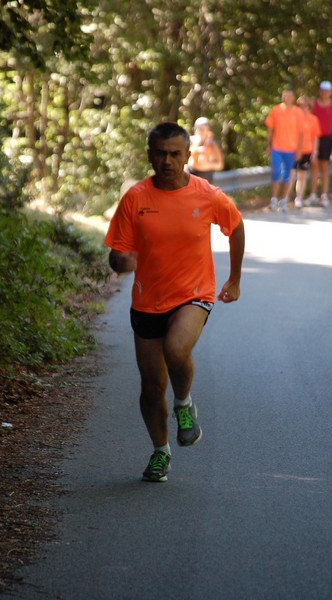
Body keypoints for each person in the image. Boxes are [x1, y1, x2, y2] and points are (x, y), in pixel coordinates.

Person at [105, 122, 245, 483]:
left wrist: (235, 278)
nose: (167, 161)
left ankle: (183, 404)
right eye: (160, 153)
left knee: (176, 348)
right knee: (151, 387)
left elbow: (236, 226)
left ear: (187, 156)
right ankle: (160, 453)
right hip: (147, 301)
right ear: (150, 155)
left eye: (175, 154)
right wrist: (121, 262)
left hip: (193, 294)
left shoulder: (207, 195)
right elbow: (117, 254)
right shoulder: (135, 198)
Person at [265, 88, 304, 211]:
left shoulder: (298, 112)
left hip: (291, 149)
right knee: (275, 172)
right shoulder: (275, 110)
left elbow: (301, 133)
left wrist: (299, 150)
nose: (287, 98)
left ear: (293, 97)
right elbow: (270, 130)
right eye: (285, 95)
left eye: (289, 96)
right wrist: (268, 145)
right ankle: (274, 199)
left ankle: (284, 199)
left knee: (287, 175)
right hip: (277, 148)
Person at [307, 81, 332, 207]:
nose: (324, 93)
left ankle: (324, 195)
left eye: (327, 90)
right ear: (319, 91)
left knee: (324, 166)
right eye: (322, 90)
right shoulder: (314, 103)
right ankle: (312, 194)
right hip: (314, 138)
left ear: (330, 92)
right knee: (314, 166)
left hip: (327, 139)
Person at [287, 95, 321, 208]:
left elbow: (315, 137)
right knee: (291, 174)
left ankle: (299, 198)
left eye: (305, 105)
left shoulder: (313, 119)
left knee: (302, 175)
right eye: (300, 105)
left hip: (307, 150)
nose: (303, 107)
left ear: (309, 106)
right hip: (294, 150)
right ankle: (285, 197)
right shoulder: (293, 118)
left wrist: (315, 152)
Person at [188, 117, 224, 183]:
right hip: (192, 177)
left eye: (205, 129)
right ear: (195, 129)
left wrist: (208, 164)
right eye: (200, 129)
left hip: (206, 179)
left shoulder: (212, 144)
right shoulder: (190, 141)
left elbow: (220, 165)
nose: (202, 131)